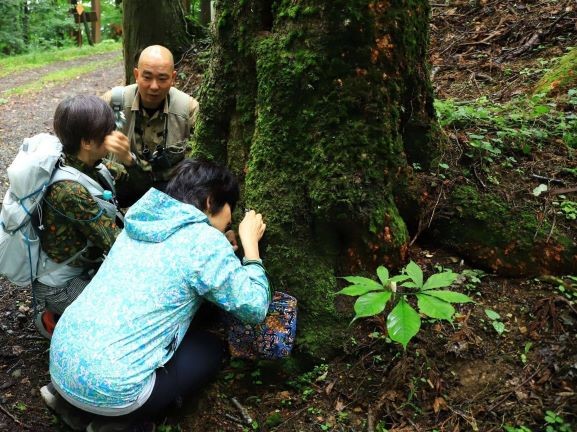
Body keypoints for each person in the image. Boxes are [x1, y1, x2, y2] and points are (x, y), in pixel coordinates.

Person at [40, 159, 270, 432]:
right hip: (115, 390)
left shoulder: (140, 222)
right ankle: (121, 424)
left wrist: (221, 246)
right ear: (210, 202)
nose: (225, 228)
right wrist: (251, 248)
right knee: (209, 349)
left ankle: (74, 407)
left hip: (62, 365)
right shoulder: (204, 241)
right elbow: (255, 307)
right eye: (227, 220)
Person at [33, 95, 152, 339]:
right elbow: (117, 243)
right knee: (128, 318)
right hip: (62, 285)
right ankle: (54, 318)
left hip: (88, 267)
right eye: (107, 131)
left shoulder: (96, 166)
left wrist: (129, 160)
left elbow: (142, 189)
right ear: (87, 142)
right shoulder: (69, 190)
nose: (114, 135)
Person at [101, 45, 199, 188]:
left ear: (173, 78)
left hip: (170, 189)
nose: (154, 86)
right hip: (121, 184)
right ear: (136, 75)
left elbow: (201, 161)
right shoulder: (115, 102)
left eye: (162, 78)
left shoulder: (188, 109)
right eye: (147, 77)